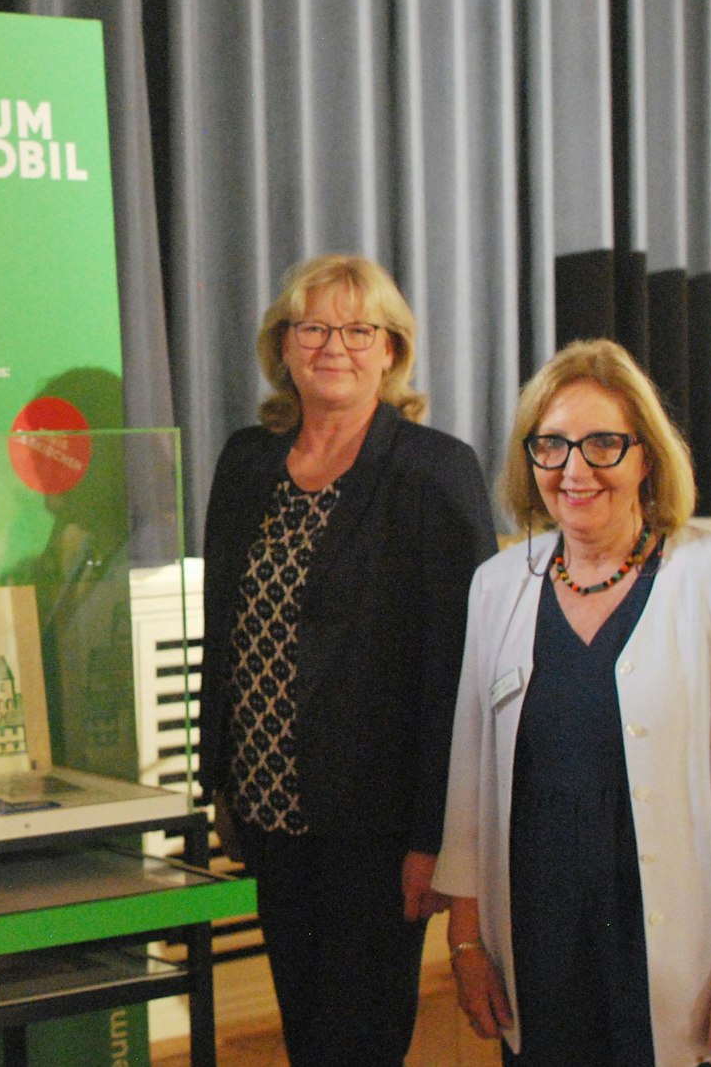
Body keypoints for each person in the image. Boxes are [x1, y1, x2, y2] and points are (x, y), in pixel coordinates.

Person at [436, 338, 711, 1065]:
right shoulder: (497, 584)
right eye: (552, 445)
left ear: (646, 455)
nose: (575, 469)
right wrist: (467, 942)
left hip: (695, 953)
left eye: (603, 443)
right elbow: (470, 780)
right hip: (544, 945)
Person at [199, 254, 496, 1065]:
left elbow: (460, 672)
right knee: (307, 1031)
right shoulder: (245, 462)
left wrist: (438, 835)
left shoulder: (435, 470)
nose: (336, 346)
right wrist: (219, 773)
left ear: (392, 351)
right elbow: (224, 629)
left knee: (361, 1041)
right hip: (268, 812)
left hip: (379, 830)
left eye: (359, 329)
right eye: (315, 327)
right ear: (284, 346)